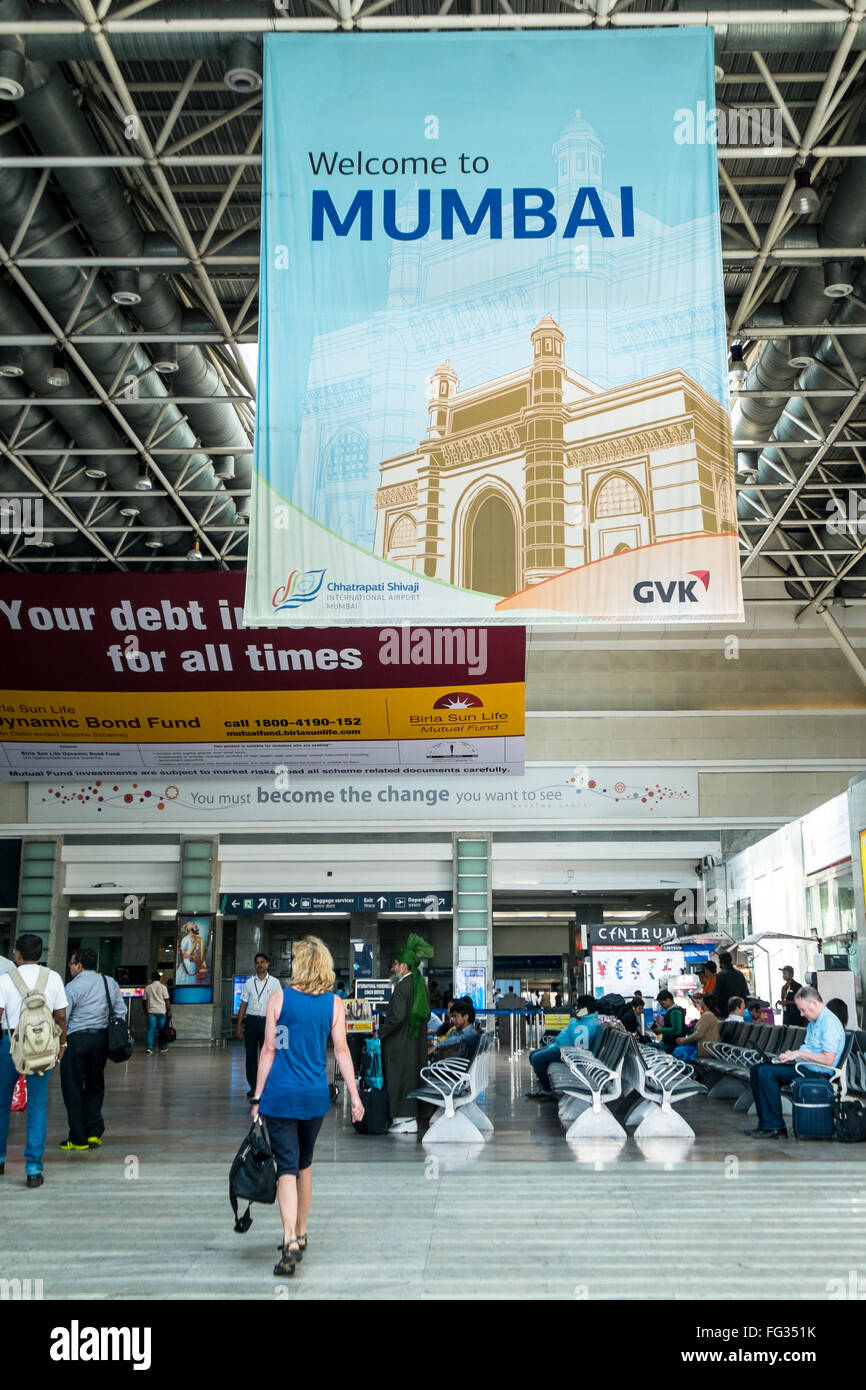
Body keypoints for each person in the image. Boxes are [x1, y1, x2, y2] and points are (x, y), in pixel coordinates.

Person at [251, 936, 363, 1275]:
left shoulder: (278, 999)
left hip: (280, 1096)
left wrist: (257, 1097)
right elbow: (342, 1052)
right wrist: (355, 1097)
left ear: (299, 964)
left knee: (286, 1165)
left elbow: (267, 1051)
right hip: (315, 1096)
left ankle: (289, 1240)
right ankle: (301, 1230)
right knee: (304, 1163)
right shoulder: (334, 1004)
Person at [0, 933, 68, 1187]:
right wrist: (62, 1044)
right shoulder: (53, 978)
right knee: (37, 1107)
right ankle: (33, 1168)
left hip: (10, 1045)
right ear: (40, 954)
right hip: (42, 1047)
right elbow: (60, 1016)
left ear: (17, 954)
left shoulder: (5, 980)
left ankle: (0, 1159)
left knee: (2, 1104)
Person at [745, 986, 846, 1139]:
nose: (801, 1014)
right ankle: (765, 1123)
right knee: (756, 1069)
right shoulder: (815, 1022)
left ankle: (775, 1127)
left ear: (813, 1003)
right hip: (804, 1066)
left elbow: (828, 1060)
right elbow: (809, 1051)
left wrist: (799, 1054)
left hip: (818, 1071)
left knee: (766, 1073)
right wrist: (790, 1056)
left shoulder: (829, 1023)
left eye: (803, 1009)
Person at [59, 948, 127, 1152]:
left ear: (79, 965)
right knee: (95, 1085)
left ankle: (77, 1138)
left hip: (76, 1040)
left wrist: (60, 1043)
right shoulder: (109, 982)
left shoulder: (72, 987)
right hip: (100, 1039)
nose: (70, 968)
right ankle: (94, 1133)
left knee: (73, 1087)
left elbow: (63, 1017)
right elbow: (120, 1011)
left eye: (71, 964)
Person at [379, 933, 434, 1135]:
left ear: (404, 967)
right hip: (416, 1043)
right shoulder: (421, 986)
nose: (392, 968)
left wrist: (381, 1033)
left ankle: (403, 1119)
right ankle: (412, 1116)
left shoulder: (402, 987)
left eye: (395, 964)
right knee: (412, 1076)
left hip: (400, 1044)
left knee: (398, 1077)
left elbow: (397, 1017)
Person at [525, 996, 601, 1099]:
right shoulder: (584, 1019)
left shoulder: (588, 1023)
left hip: (567, 1052)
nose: (576, 1010)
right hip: (560, 1046)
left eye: (578, 1007)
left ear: (585, 1009)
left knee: (536, 1058)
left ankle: (547, 1089)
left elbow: (577, 1043)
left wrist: (573, 1019)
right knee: (533, 1055)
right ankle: (545, 1084)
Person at [236, 953, 282, 1099]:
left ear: (267, 964)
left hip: (268, 1022)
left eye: (262, 962)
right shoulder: (249, 983)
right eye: (257, 962)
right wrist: (239, 1026)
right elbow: (243, 1005)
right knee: (250, 1055)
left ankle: (266, 1086)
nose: (260, 965)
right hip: (251, 1022)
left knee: (267, 1054)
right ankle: (254, 1086)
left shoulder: (274, 983)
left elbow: (280, 1004)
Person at [673, 995, 720, 1062]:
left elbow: (699, 1034)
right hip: (707, 1048)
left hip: (704, 1050)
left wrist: (684, 1040)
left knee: (678, 1051)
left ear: (704, 1002)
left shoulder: (707, 1015)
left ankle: (684, 1071)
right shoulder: (710, 1015)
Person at [713, 952, 751, 1018]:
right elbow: (745, 993)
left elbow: (716, 994)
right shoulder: (740, 974)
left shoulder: (721, 975)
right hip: (739, 1009)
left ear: (721, 962)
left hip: (725, 1010)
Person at [143, 970, 171, 1054]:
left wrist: (145, 1010)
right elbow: (167, 1000)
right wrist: (169, 1011)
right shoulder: (163, 987)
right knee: (161, 1030)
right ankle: (162, 1047)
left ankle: (149, 1047)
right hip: (162, 1011)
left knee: (151, 1029)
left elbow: (144, 1000)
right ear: (160, 978)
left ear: (152, 978)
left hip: (151, 1011)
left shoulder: (148, 987)